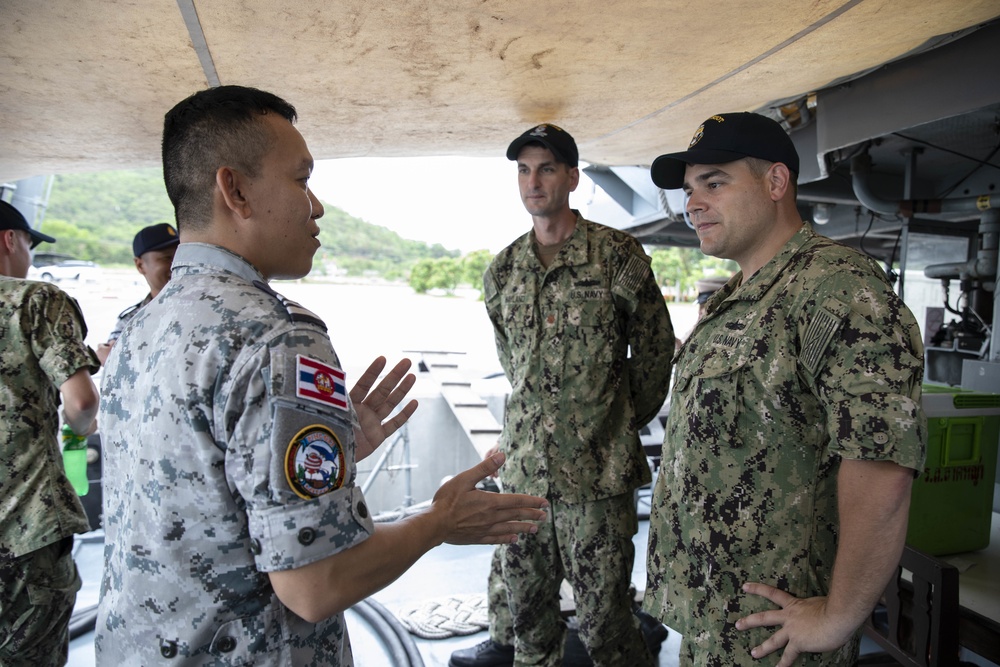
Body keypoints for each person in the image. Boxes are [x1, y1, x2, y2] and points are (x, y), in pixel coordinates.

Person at [95, 85, 550, 665]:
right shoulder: (277, 338)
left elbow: (194, 487)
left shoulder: (138, 325)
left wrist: (334, 455)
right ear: (234, 189)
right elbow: (316, 586)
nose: (317, 206)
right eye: (301, 179)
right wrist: (438, 521)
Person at [643, 112, 926, 666]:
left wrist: (838, 617)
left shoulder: (836, 289)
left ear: (776, 183)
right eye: (689, 189)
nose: (692, 203)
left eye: (714, 183)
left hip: (779, 638)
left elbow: (882, 465)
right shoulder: (734, 298)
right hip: (714, 618)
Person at [451, 124, 675, 667]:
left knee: (607, 628)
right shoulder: (503, 271)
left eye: (547, 168)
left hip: (597, 480)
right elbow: (513, 363)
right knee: (529, 625)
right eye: (524, 170)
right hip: (526, 478)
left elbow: (653, 350)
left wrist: (613, 421)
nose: (534, 181)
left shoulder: (615, 255)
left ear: (572, 177)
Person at [0, 199, 101, 665]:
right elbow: (80, 403)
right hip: (26, 532)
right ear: (9, 240)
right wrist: (82, 429)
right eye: (27, 244)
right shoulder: (36, 299)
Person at [95, 222, 179, 364]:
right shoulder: (130, 320)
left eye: (180, 255)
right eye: (167, 258)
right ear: (140, 265)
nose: (177, 263)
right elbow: (111, 360)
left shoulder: (204, 306)